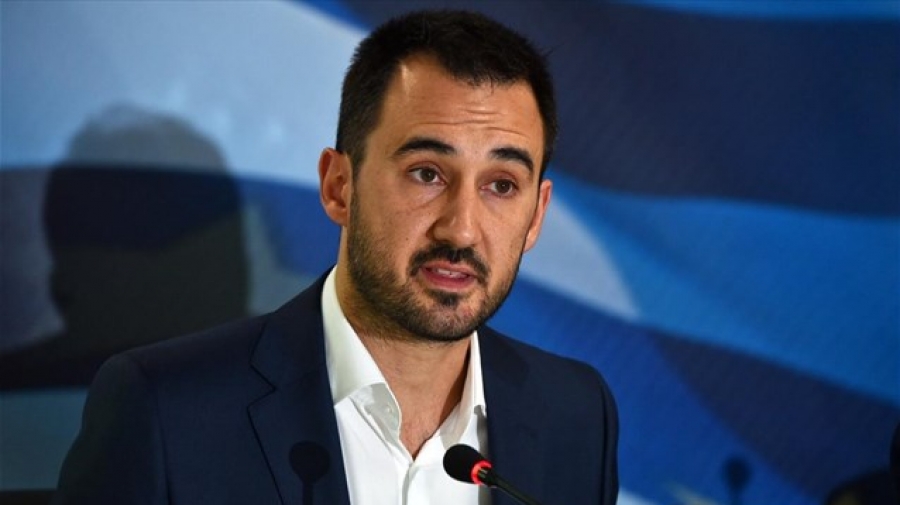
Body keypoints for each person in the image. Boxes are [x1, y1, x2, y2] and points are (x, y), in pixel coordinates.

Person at [52, 9, 619, 505]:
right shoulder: (166, 411)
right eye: (426, 173)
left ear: (536, 214)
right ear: (339, 186)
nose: (462, 229)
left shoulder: (577, 414)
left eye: (501, 185)